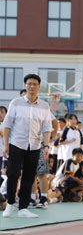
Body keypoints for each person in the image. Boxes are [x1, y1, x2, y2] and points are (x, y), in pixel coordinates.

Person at [2, 74, 54, 218]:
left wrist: (47, 145)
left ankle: (23, 208)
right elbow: (7, 125)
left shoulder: (44, 106)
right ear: (25, 85)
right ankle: (10, 203)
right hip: (16, 143)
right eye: (29, 84)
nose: (32, 86)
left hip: (35, 145)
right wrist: (5, 144)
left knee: (29, 177)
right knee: (12, 174)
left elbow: (46, 128)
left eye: (35, 84)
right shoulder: (16, 103)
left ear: (39, 86)